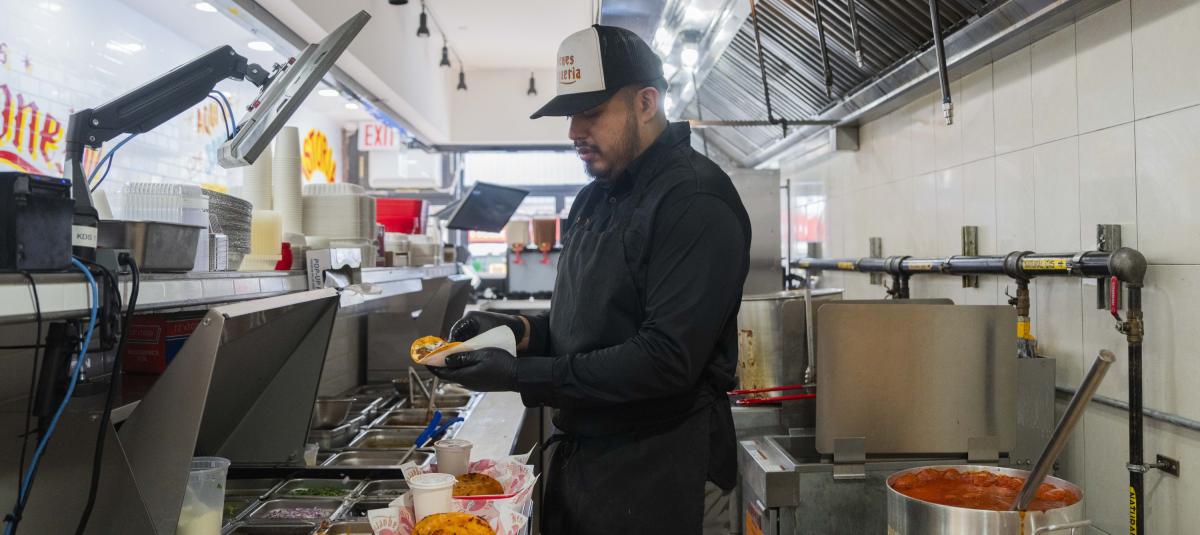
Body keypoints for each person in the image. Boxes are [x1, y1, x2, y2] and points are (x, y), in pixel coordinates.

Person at [430, 24, 751, 534]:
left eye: (592, 112)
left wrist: (518, 376)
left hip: (664, 473)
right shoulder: (594, 197)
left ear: (646, 102)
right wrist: (516, 332)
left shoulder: (695, 201)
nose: (574, 131)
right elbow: (587, 324)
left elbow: (665, 359)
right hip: (586, 469)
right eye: (570, 114)